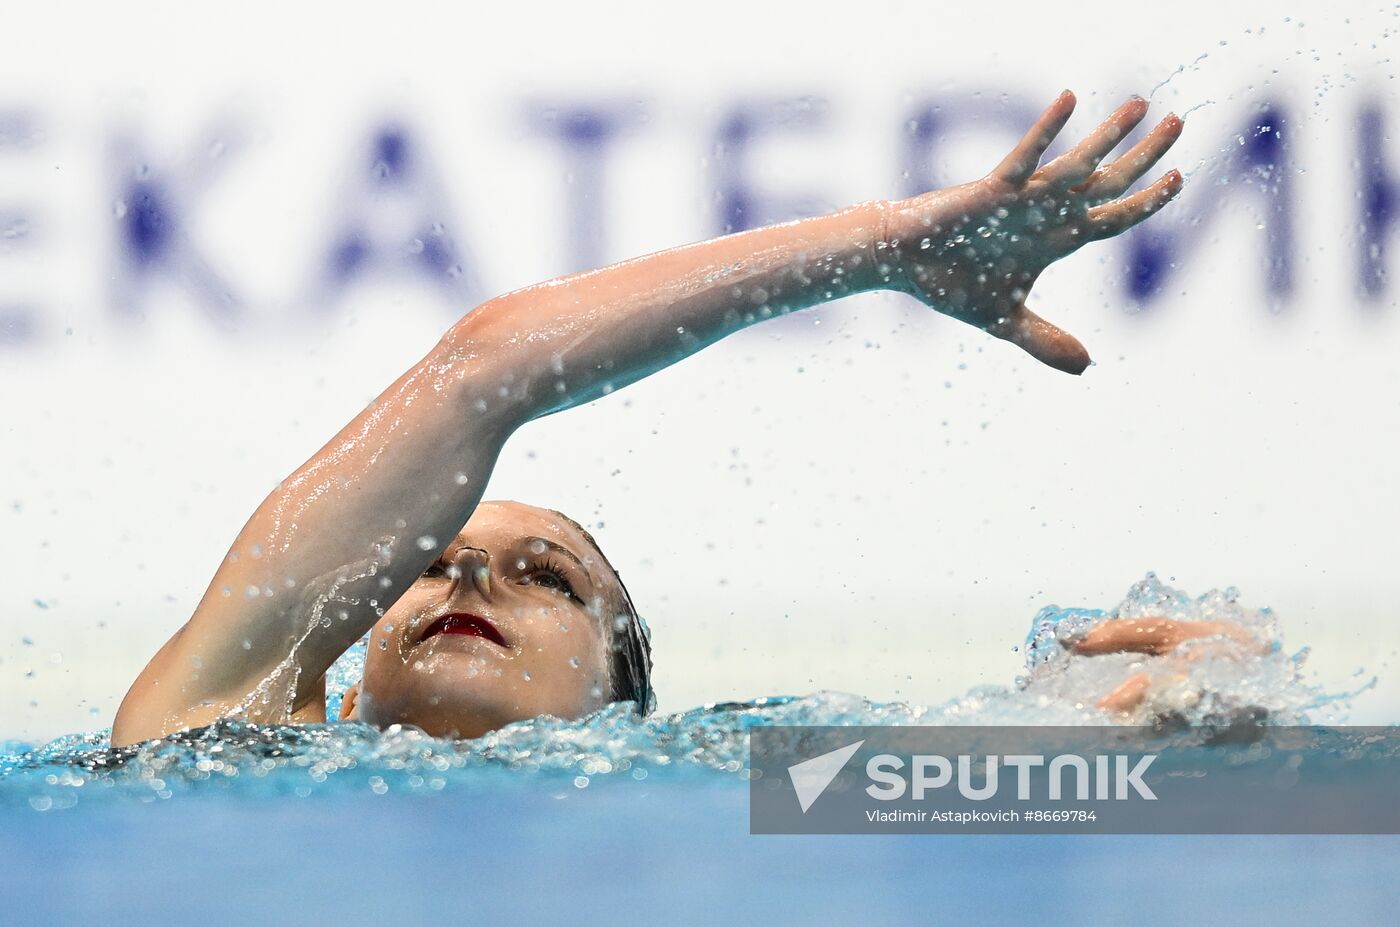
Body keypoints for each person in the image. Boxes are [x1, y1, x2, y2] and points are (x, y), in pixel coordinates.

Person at [112, 90, 1241, 747]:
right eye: (424, 560)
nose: (465, 583)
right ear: (341, 679)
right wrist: (884, 245)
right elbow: (479, 370)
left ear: (620, 699)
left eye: (546, 576)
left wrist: (1208, 710)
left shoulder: (722, 774)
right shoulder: (217, 732)